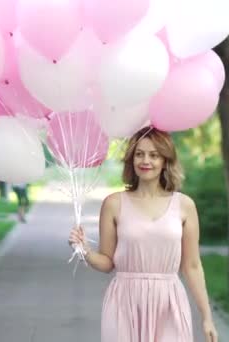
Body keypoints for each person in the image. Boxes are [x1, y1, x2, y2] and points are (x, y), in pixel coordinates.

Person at [68, 127, 218, 342]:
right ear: (131, 159)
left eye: (154, 155)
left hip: (169, 302)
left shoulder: (184, 205)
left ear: (165, 160)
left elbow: (192, 266)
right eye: (139, 154)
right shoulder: (113, 203)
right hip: (124, 302)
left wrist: (207, 317)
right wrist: (83, 249)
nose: (145, 161)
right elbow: (107, 262)